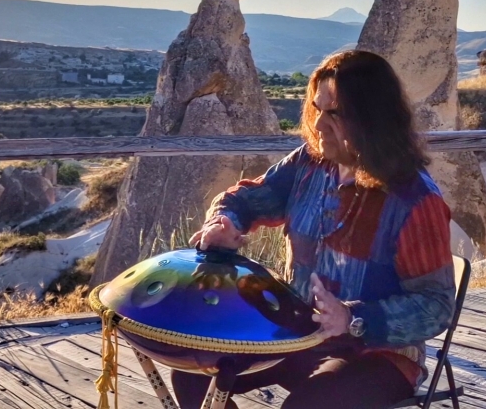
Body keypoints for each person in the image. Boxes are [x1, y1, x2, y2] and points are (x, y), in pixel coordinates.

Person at [173, 50, 456, 409]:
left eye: (334, 113)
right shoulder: (310, 163)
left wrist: (352, 317)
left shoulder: (414, 199)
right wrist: (224, 221)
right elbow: (246, 199)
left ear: (372, 118)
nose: (319, 124)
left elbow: (436, 306)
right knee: (193, 370)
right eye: (317, 108)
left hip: (376, 353)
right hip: (298, 333)